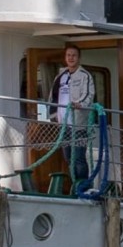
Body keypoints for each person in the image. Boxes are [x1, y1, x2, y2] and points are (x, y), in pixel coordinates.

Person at [50, 44, 95, 186]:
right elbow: (53, 98)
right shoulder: (60, 77)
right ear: (65, 57)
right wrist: (53, 118)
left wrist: (79, 104)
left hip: (79, 125)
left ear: (79, 58)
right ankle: (75, 185)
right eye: (68, 55)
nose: (71, 58)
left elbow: (89, 95)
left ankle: (83, 187)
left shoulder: (85, 76)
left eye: (74, 55)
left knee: (79, 158)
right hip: (64, 125)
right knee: (68, 157)